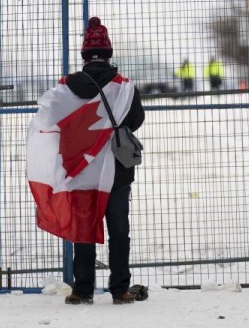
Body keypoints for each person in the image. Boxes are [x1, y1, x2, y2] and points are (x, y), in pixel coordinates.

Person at [61, 17, 145, 305]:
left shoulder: (68, 87)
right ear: (109, 53)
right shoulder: (124, 87)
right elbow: (136, 120)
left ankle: (82, 290)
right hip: (117, 172)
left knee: (83, 229)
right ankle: (120, 289)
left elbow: (56, 121)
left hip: (83, 170)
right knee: (119, 229)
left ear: (84, 55)